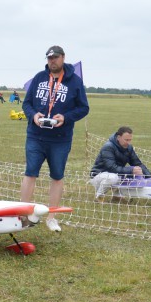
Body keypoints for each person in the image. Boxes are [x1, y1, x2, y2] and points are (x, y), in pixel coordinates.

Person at [20, 45, 90, 232]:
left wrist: (65, 118)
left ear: (63, 58)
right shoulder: (39, 78)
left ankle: (52, 217)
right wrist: (33, 115)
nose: (52, 61)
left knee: (57, 175)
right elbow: (26, 104)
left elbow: (84, 108)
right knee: (30, 172)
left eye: (56, 58)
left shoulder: (75, 81)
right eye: (50, 58)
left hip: (60, 138)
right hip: (36, 135)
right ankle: (22, 213)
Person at [89, 126, 151, 199]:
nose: (128, 142)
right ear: (118, 137)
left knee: (136, 171)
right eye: (126, 140)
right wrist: (131, 170)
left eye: (130, 140)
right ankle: (99, 196)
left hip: (116, 174)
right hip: (99, 175)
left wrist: (149, 177)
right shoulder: (108, 147)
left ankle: (117, 196)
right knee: (114, 177)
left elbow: (137, 163)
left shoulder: (129, 148)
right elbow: (111, 167)